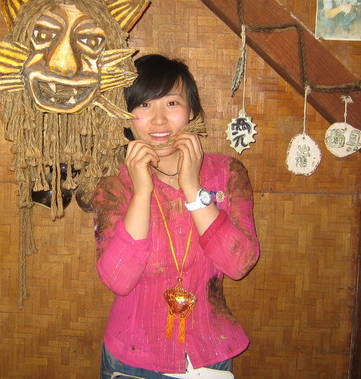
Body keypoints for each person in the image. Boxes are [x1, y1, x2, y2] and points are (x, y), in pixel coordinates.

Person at [93, 54, 260, 378]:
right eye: (144, 105)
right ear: (126, 115)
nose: (158, 120)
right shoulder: (113, 184)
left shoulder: (227, 173)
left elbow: (239, 264)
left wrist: (192, 188)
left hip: (209, 354)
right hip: (132, 357)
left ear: (191, 111)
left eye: (171, 103)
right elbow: (118, 279)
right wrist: (142, 192)